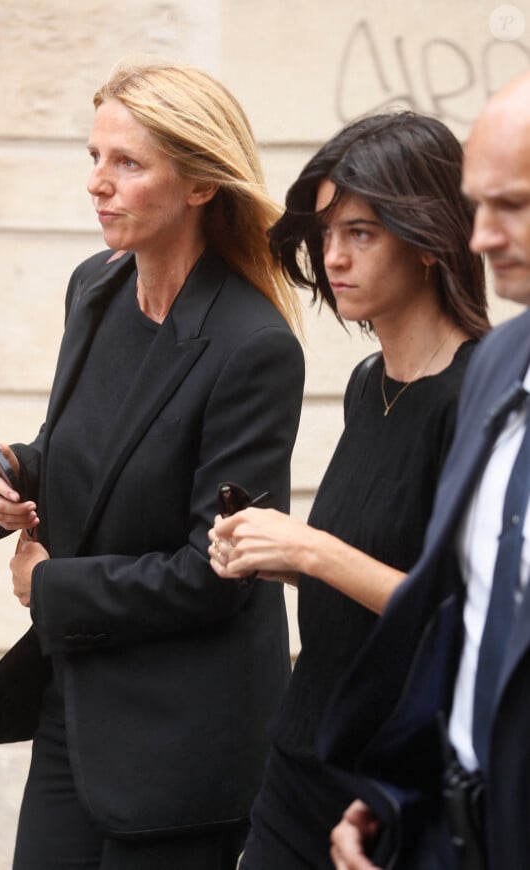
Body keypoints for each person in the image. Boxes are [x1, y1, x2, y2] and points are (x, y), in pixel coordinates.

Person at [0, 59, 305, 870]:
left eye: (127, 163)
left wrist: (49, 587)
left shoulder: (254, 349)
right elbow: (92, 447)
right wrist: (15, 477)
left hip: (182, 741)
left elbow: (217, 570)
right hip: (73, 706)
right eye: (93, 158)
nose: (98, 184)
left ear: (197, 185)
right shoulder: (96, 287)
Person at [208, 112, 489, 869]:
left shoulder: (481, 400)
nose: (333, 255)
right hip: (300, 757)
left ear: (429, 238)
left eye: (362, 232)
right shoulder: (371, 385)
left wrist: (315, 549)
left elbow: (462, 618)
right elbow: (368, 556)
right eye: (328, 232)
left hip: (395, 786)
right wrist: (280, 553)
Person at [322, 69, 530, 870]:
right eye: (476, 207)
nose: (479, 236)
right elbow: (462, 618)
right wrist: (397, 795)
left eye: (510, 205)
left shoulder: (466, 370)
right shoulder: (502, 365)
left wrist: (309, 554)